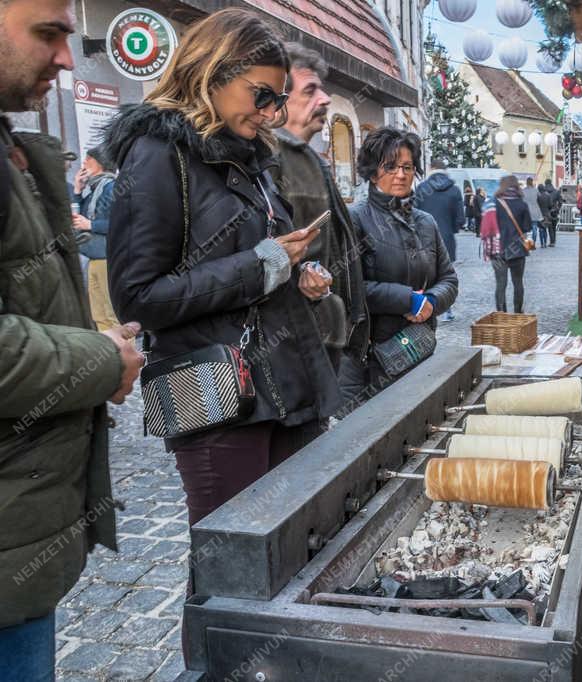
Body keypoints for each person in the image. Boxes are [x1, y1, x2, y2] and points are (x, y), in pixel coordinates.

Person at [104, 9, 341, 527]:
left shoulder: (253, 158)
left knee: (292, 551)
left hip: (284, 385)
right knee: (231, 568)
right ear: (213, 72)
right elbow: (139, 296)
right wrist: (265, 265)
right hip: (214, 397)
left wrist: (298, 272)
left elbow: (258, 259)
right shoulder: (157, 154)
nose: (272, 113)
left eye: (279, 100)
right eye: (263, 95)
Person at [0, 0, 144, 677]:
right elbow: (152, 284)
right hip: (206, 392)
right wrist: (102, 357)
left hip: (24, 529)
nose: (65, 54)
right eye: (46, 33)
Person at [338, 128, 458, 413]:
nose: (401, 175)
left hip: (416, 349)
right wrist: (407, 299)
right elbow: (347, 288)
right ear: (372, 172)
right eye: (390, 167)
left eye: (407, 167)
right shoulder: (355, 219)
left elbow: (449, 279)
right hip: (368, 360)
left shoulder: (425, 222)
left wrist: (431, 301)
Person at [270, 42, 369, 377]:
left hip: (323, 330)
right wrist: (302, 276)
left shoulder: (309, 158)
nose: (325, 99)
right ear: (277, 97)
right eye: (310, 90)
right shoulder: (267, 157)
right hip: (291, 341)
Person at [71, 146, 119, 330]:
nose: (83, 163)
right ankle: (112, 356)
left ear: (101, 163)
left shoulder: (112, 187)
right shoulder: (93, 190)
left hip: (108, 259)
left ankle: (127, 357)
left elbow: (123, 224)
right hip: (94, 259)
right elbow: (76, 219)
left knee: (112, 315)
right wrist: (77, 191)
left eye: (88, 159)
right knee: (99, 316)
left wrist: (91, 225)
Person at [414, 158, 464, 323]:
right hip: (447, 238)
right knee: (445, 275)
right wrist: (450, 230)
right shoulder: (454, 190)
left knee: (425, 274)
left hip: (422, 239)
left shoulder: (422, 188)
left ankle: (424, 307)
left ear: (431, 169)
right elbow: (460, 219)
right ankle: (446, 309)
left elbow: (412, 215)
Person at [489, 175, 532, 313]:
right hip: (517, 249)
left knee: (500, 284)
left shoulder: (494, 203)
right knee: (518, 283)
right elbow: (527, 227)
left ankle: (502, 314)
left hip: (497, 249)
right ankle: (518, 313)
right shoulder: (522, 204)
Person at [522, 176, 546, 248]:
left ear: (526, 182)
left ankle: (526, 244)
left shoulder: (523, 191)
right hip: (535, 211)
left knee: (525, 229)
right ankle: (533, 243)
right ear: (532, 182)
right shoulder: (536, 190)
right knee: (534, 227)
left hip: (526, 212)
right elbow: (540, 198)